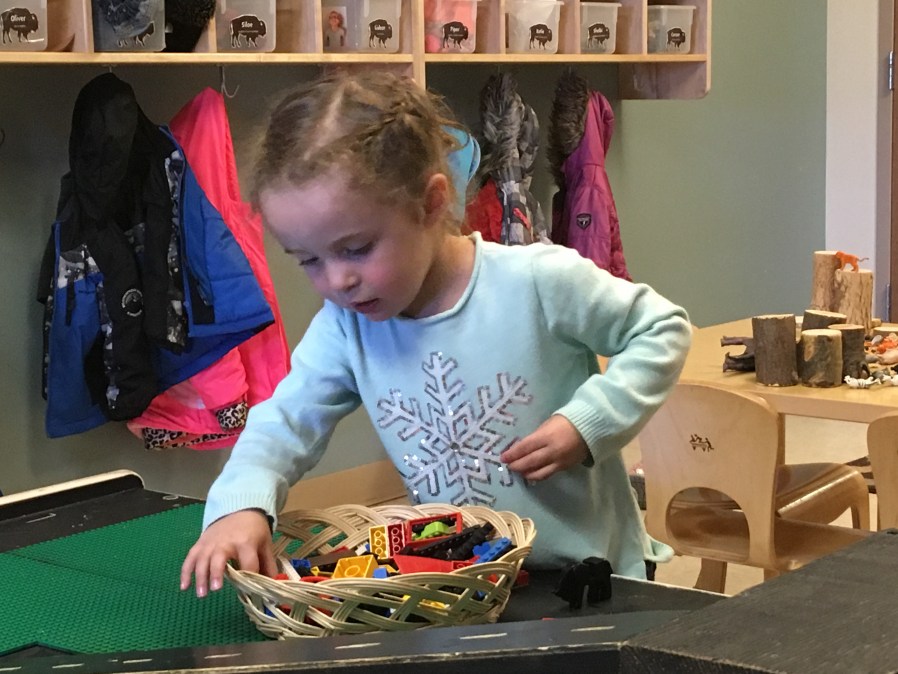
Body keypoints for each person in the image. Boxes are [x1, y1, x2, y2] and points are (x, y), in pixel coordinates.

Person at [180, 71, 692, 598]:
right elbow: (283, 422)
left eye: (356, 248)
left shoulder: (537, 279)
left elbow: (661, 329)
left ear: (430, 203)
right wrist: (240, 504)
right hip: (473, 583)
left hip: (590, 574)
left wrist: (588, 423)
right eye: (309, 260)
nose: (337, 281)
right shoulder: (346, 326)